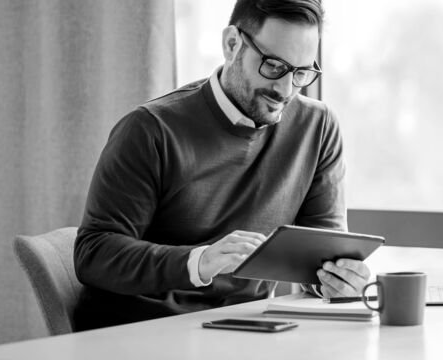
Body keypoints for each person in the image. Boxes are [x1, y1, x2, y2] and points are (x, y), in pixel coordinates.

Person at [73, 0, 369, 330]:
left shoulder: (317, 128)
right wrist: (200, 261)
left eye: (300, 73)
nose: (285, 90)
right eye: (273, 66)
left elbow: (319, 254)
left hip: (248, 330)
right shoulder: (150, 129)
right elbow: (93, 254)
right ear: (232, 44)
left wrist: (335, 279)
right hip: (141, 330)